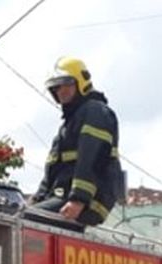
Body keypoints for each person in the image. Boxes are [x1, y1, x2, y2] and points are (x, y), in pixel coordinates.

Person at [31, 57, 123, 228]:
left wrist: (79, 200)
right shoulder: (69, 123)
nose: (61, 91)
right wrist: (36, 200)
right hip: (63, 197)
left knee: (25, 221)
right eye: (56, 87)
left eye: (67, 84)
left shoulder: (95, 112)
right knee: (21, 215)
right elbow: (53, 171)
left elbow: (92, 158)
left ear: (81, 82)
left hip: (85, 201)